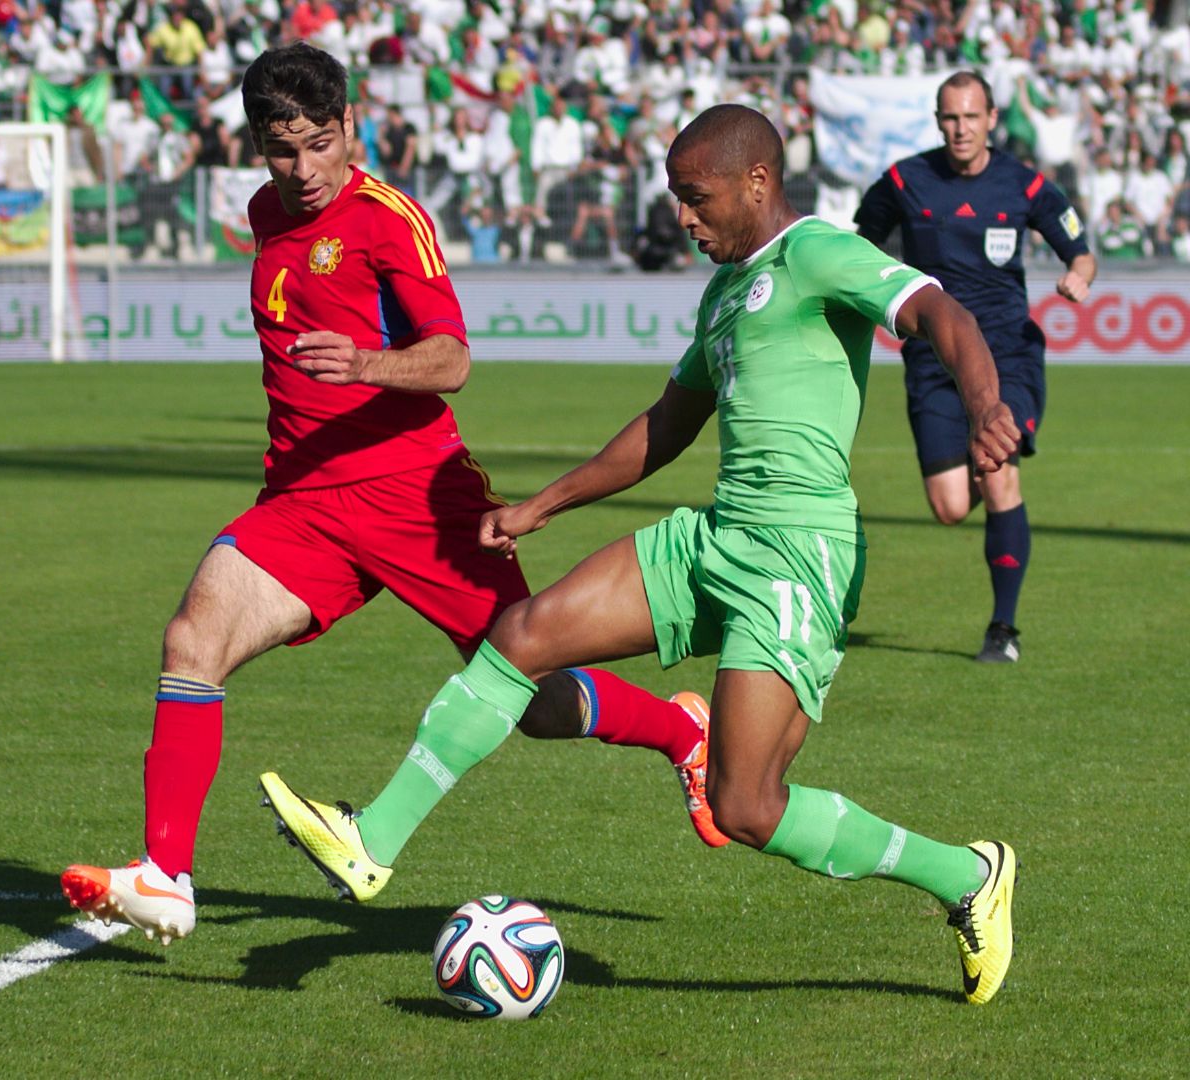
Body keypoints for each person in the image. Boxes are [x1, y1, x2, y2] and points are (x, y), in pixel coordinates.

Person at [264, 104, 1021, 1006]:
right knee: (521, 634)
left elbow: (939, 311)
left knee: (746, 807)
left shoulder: (820, 251)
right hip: (716, 537)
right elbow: (667, 426)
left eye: (696, 199)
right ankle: (372, 840)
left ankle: (966, 875)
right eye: (676, 199)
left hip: (798, 557)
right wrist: (541, 505)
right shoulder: (726, 291)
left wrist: (984, 406)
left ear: (757, 182)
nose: (683, 219)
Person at [60, 43, 716, 946]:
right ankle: (166, 874)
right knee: (191, 641)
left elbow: (453, 359)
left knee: (530, 697)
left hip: (417, 499)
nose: (303, 170)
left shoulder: (387, 221)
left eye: (320, 145)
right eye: (282, 150)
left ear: (350, 127)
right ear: (258, 146)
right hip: (303, 504)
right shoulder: (266, 212)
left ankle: (680, 731)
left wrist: (366, 364)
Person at [855, 71, 1096, 663]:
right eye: (950, 118)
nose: (961, 128)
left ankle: (1003, 630)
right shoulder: (904, 180)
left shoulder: (1025, 184)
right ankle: (988, 489)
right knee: (950, 507)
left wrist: (1077, 277)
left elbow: (1080, 251)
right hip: (932, 359)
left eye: (971, 117)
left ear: (991, 118)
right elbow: (860, 245)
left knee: (997, 466)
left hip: (1007, 352)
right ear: (939, 121)